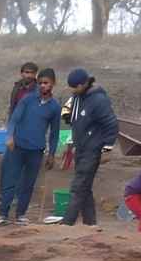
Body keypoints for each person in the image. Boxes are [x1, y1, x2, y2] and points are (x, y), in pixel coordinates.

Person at [48, 67, 117, 227]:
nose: (73, 90)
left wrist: (107, 148)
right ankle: (90, 224)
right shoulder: (78, 96)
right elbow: (73, 117)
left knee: (78, 186)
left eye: (75, 87)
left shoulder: (99, 100)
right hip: (80, 147)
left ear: (85, 83)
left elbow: (111, 124)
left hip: (93, 149)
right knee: (85, 187)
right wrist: (68, 121)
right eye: (71, 87)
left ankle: (67, 223)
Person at [0, 67, 60, 226]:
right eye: (41, 82)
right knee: (10, 181)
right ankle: (3, 214)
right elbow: (14, 119)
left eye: (46, 83)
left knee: (28, 184)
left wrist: (51, 154)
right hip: (17, 147)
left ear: (53, 84)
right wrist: (9, 136)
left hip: (36, 150)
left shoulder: (55, 107)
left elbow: (54, 133)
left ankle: (21, 215)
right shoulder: (27, 100)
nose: (43, 85)